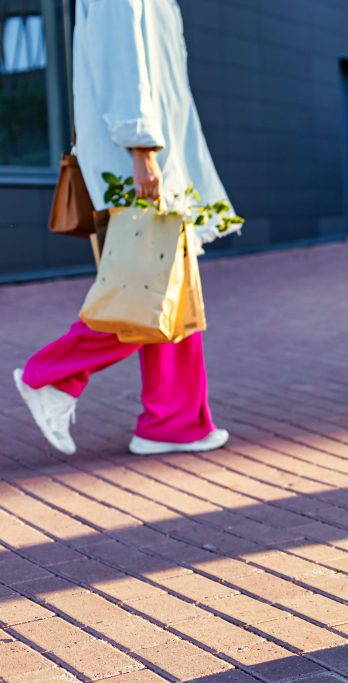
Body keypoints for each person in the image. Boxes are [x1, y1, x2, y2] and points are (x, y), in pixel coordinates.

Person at [13, 0, 239, 456]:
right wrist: (141, 148)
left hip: (155, 159)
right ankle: (49, 375)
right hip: (138, 163)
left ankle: (173, 422)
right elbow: (124, 65)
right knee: (146, 290)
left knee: (171, 292)